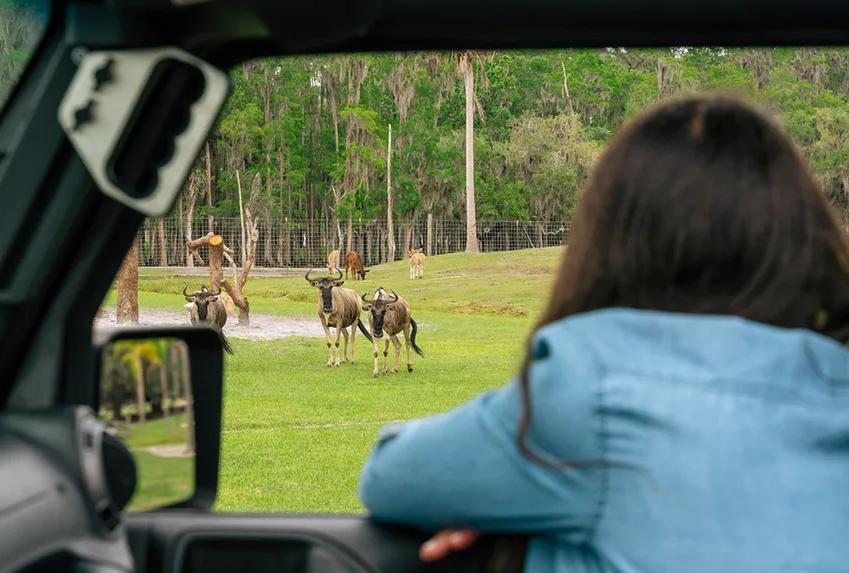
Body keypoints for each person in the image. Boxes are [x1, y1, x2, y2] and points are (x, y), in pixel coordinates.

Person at [356, 95, 849, 572]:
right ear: (801, 239)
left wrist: (509, 517)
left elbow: (391, 476)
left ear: (611, 239)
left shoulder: (591, 386)